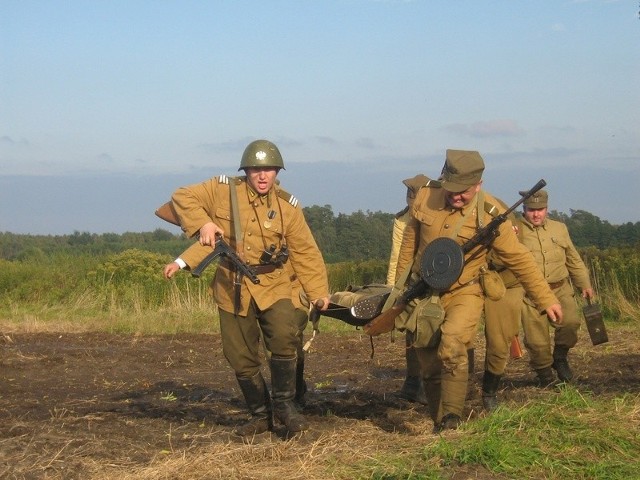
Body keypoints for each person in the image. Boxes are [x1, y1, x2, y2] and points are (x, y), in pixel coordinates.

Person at [163, 139, 330, 436]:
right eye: (256, 169)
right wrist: (202, 225)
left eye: (269, 169)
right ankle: (259, 414)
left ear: (277, 171)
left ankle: (285, 407)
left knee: (284, 337)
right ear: (246, 171)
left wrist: (318, 292)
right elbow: (181, 196)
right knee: (239, 356)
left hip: (274, 284)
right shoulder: (222, 190)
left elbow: (306, 251)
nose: (262, 176)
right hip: (232, 286)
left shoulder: (287, 207)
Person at [394, 149, 563, 432]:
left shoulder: (491, 214)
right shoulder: (424, 197)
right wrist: (398, 290)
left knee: (453, 344)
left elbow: (519, 259)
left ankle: (452, 417)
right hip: (423, 293)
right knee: (429, 360)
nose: (455, 196)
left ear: (479, 185)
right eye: (451, 189)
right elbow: (408, 247)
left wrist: (545, 298)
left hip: (465, 291)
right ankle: (438, 419)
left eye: (464, 192)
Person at [519, 189, 594, 385]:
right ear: (523, 209)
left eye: (540, 209)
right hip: (530, 294)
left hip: (560, 288)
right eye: (531, 210)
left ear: (547, 209)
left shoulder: (559, 228)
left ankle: (560, 358)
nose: (536, 214)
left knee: (570, 323)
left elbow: (573, 259)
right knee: (537, 341)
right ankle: (545, 375)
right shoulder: (514, 229)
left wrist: (584, 283)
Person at [388, 174, 430, 404]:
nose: (410, 201)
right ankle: (413, 380)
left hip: (436, 281)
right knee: (411, 332)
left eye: (414, 196)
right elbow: (397, 257)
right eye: (409, 196)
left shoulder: (438, 214)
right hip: (412, 282)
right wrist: (394, 290)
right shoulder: (402, 220)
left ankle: (429, 381)